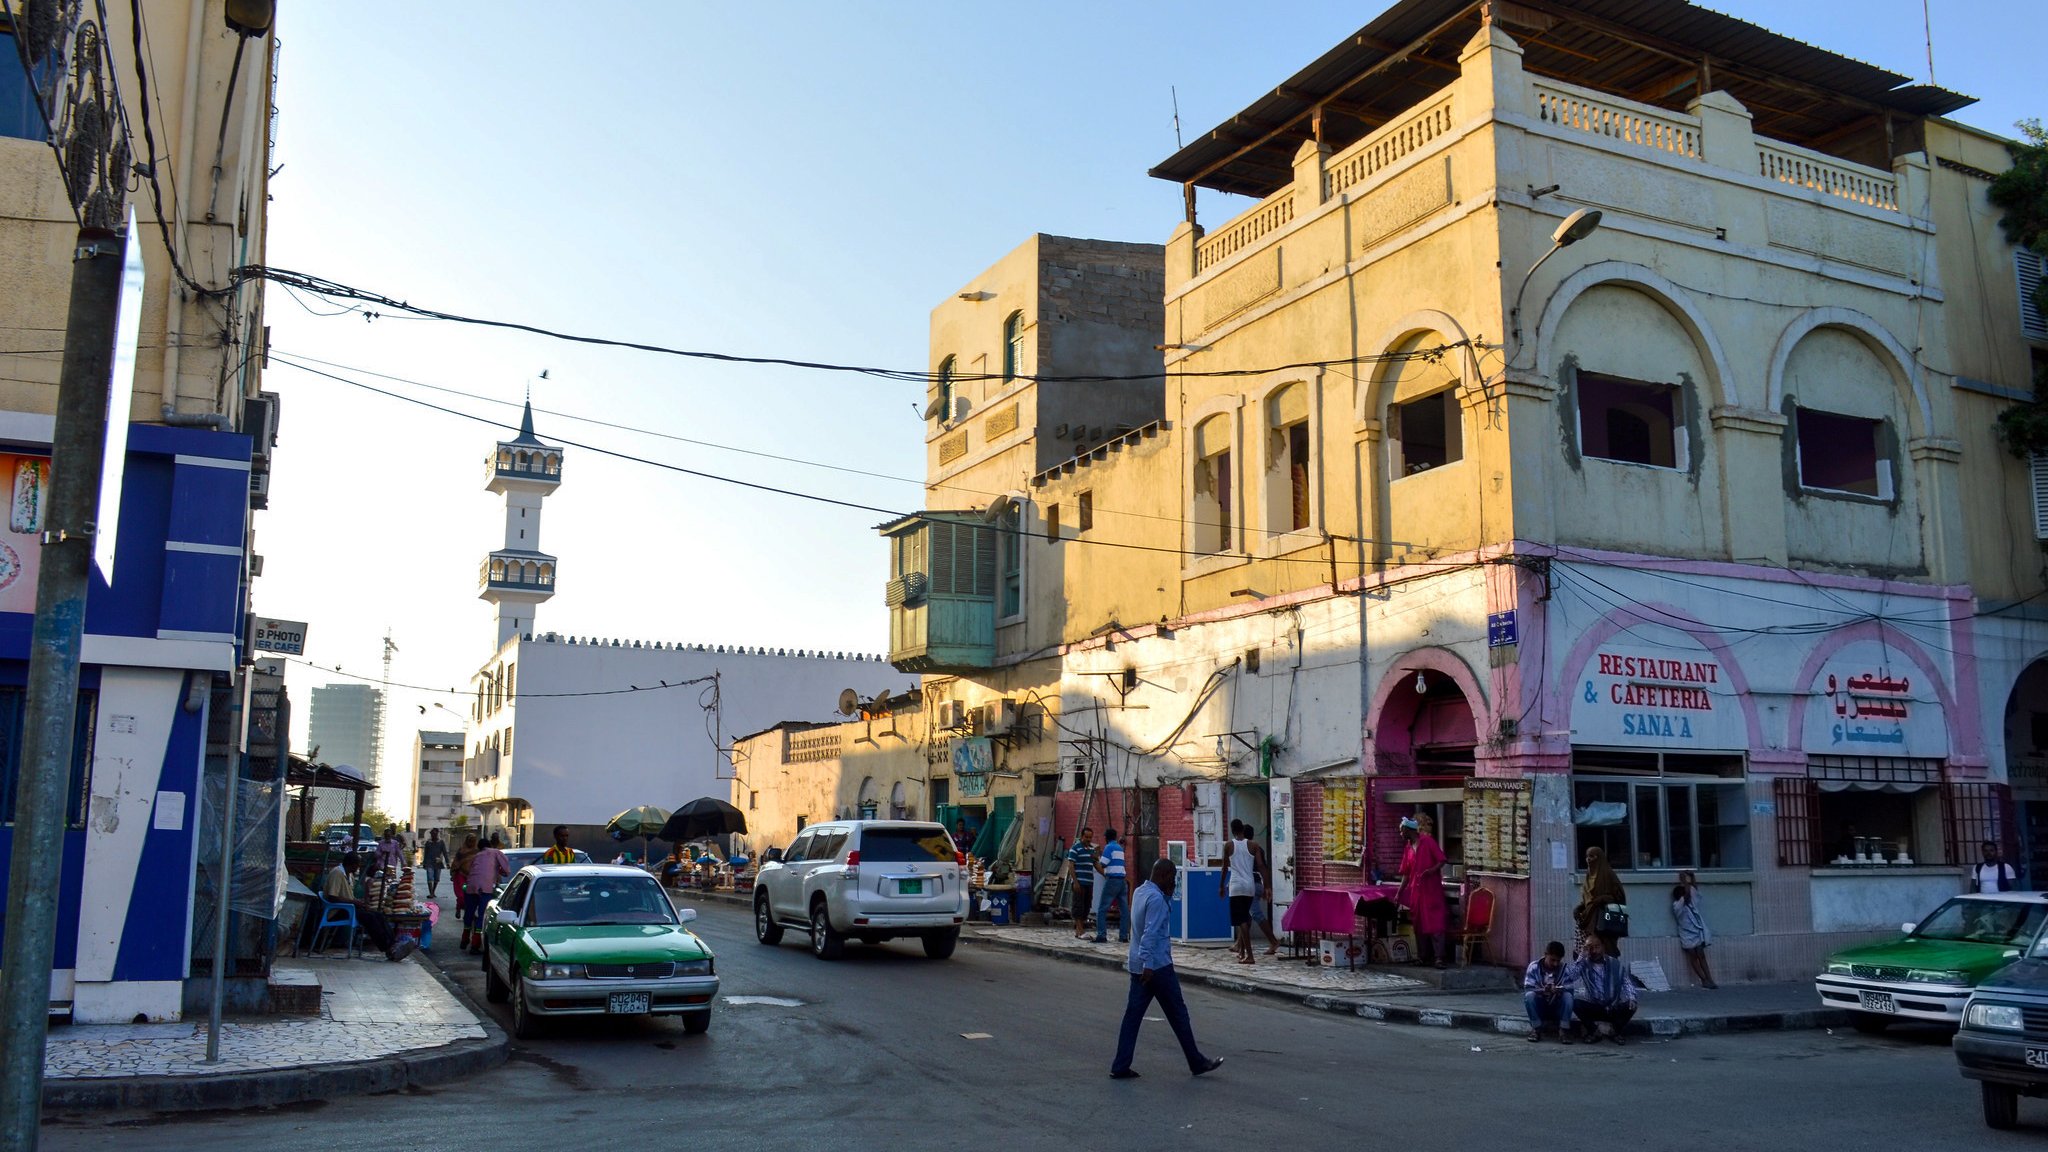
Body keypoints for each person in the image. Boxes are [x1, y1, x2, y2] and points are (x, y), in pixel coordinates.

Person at [1109, 858, 1225, 1080]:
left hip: (1137, 965)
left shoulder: (1142, 892)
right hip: (1157, 966)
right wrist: (1149, 964)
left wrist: (1142, 963)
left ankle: (1120, 1064)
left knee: (1132, 1016)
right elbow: (1150, 933)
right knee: (1178, 1014)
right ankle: (1196, 1061)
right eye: (1171, 879)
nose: (1173, 883)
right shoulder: (1157, 900)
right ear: (1162, 876)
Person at [322, 854, 418, 961]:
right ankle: (388, 948)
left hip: (349, 908)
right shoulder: (337, 873)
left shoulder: (348, 875)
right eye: (357, 865)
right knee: (369, 918)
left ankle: (393, 944)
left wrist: (360, 903)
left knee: (378, 915)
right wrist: (354, 902)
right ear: (352, 864)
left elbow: (348, 896)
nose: (358, 868)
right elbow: (332, 897)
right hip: (338, 910)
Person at [1395, 816, 1449, 967]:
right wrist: (1399, 892)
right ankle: (1422, 956)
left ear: (1407, 830)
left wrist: (1431, 871)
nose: (1400, 834)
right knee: (1418, 924)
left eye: (1401, 831)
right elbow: (1406, 872)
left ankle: (1439, 957)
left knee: (1436, 923)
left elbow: (1442, 860)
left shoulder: (1428, 842)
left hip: (1431, 890)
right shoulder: (1408, 848)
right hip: (1416, 892)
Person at [1566, 932, 1637, 1043]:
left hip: (1613, 1006)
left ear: (1603, 947)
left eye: (1597, 947)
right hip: (1595, 1006)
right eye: (1590, 948)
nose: (1594, 951)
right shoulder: (1584, 963)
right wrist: (1581, 957)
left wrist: (1631, 997)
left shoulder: (1615, 963)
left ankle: (1615, 1032)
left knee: (1631, 1005)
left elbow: (1626, 983)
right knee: (1575, 1002)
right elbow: (1570, 977)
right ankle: (1594, 1032)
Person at [1574, 845, 1628, 957]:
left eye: (1592, 856)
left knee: (1605, 953)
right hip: (1590, 922)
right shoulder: (1588, 876)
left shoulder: (1608, 875)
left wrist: (1603, 898)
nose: (1588, 859)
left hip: (1605, 922)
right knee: (1590, 954)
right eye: (1587, 856)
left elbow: (1620, 897)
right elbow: (1588, 900)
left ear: (1599, 858)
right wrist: (1579, 908)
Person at [463, 833, 513, 953]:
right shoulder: (496, 852)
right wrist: (499, 871)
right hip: (486, 888)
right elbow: (506, 871)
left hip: (471, 886)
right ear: (490, 845)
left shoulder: (477, 855)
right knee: (482, 915)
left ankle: (464, 939)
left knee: (469, 914)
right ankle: (475, 944)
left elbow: (471, 870)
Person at [1522, 940, 1576, 1042]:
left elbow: (1570, 990)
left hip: (1557, 1007)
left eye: (1558, 961)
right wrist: (1543, 990)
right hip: (1540, 1006)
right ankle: (1536, 1029)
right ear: (1546, 955)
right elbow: (1528, 988)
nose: (1555, 964)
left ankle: (1563, 1030)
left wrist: (1559, 990)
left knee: (1568, 997)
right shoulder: (1534, 967)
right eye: (1552, 960)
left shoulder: (1565, 969)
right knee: (1529, 996)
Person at [1672, 871, 1718, 989]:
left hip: (1697, 933)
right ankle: (1703, 979)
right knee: (1693, 956)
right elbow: (1688, 894)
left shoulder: (1691, 904)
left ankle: (1709, 978)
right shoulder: (1677, 906)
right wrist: (1684, 881)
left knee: (1701, 955)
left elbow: (1693, 890)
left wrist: (1692, 877)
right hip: (1687, 934)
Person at [1222, 820, 1258, 964]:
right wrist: (1267, 885)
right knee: (1246, 917)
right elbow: (1261, 866)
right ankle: (1242, 951)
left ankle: (1249, 955)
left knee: (1241, 920)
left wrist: (1221, 885)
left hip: (1236, 886)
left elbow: (1224, 867)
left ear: (1232, 830)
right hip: (1250, 886)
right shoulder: (1253, 846)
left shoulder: (1229, 845)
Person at [1246, 823, 1281, 956]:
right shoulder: (1258, 848)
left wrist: (1267, 886)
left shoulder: (1250, 849)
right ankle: (1240, 943)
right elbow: (1263, 867)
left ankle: (1273, 941)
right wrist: (1266, 886)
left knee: (1255, 913)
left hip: (1252, 884)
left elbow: (1261, 866)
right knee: (1246, 913)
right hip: (1256, 883)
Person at [1094, 828, 1130, 944]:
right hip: (1122, 880)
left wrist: (1095, 859)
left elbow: (1103, 864)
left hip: (1112, 880)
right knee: (1124, 910)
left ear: (1106, 837)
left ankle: (1101, 935)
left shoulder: (1108, 847)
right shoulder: (1119, 848)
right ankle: (1124, 936)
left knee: (1102, 909)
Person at [1066, 827, 1098, 938]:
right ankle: (1080, 930)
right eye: (1086, 837)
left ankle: (1078, 931)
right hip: (1079, 882)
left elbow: (1095, 864)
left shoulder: (1091, 850)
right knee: (1078, 906)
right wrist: (1075, 882)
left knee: (1086, 906)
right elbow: (1071, 865)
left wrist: (1105, 873)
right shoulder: (1075, 848)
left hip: (1089, 882)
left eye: (1090, 837)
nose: (1089, 839)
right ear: (1082, 837)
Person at [451, 833, 479, 907]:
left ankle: (466, 910)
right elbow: (456, 862)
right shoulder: (461, 850)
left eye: (473, 841)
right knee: (462, 893)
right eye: (470, 840)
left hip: (473, 876)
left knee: (471, 895)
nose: (471, 842)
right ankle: (460, 906)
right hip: (462, 875)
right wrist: (453, 872)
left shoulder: (477, 851)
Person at [421, 829, 448, 899]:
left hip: (438, 862)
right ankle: (431, 893)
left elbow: (444, 852)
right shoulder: (428, 842)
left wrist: (447, 862)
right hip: (429, 862)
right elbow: (425, 853)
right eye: (433, 834)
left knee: (436, 878)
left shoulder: (441, 842)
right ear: (431, 834)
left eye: (435, 834)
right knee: (429, 877)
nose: (434, 835)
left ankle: (433, 891)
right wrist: (424, 862)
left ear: (437, 834)